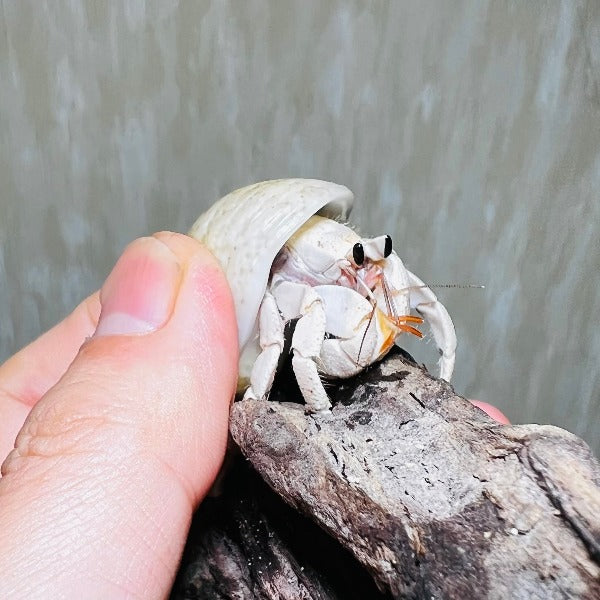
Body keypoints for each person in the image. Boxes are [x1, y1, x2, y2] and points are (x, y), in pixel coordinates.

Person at [0, 232, 508, 598]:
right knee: (299, 335)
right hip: (269, 319)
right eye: (360, 260)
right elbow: (297, 348)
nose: (370, 270)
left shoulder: (356, 261)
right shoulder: (301, 289)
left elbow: (381, 268)